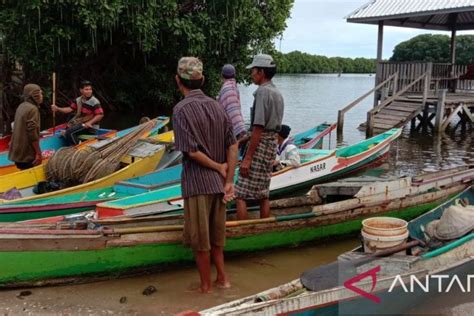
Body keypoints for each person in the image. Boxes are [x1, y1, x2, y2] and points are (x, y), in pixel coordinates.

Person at [173, 57, 238, 294]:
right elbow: (233, 145)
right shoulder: (218, 106)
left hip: (197, 184)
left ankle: (205, 289)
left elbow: (190, 151)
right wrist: (228, 179)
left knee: (202, 243)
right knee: (217, 238)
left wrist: (218, 168)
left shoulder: (181, 110)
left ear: (178, 80)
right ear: (202, 80)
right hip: (219, 186)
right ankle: (223, 280)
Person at [235, 54, 284, 220]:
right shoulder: (276, 92)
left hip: (261, 145)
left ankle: (244, 232)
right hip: (271, 145)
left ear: (261, 72)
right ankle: (264, 226)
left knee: (240, 193)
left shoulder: (262, 92)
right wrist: (243, 139)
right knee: (263, 193)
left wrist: (247, 158)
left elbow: (258, 127)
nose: (251, 74)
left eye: (253, 71)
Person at [51, 80, 104, 145]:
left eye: (90, 89)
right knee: (69, 123)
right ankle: (75, 141)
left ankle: (79, 145)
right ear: (81, 90)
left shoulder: (95, 102)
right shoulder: (78, 100)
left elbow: (100, 115)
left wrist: (89, 123)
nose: (89, 91)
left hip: (90, 127)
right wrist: (57, 108)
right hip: (80, 124)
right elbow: (70, 109)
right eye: (86, 89)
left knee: (69, 132)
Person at [8, 84, 44, 170]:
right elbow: (32, 134)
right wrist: (38, 153)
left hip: (17, 153)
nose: (42, 96)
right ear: (34, 95)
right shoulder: (33, 109)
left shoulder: (21, 106)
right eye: (40, 93)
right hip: (26, 154)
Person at [217, 64, 247, 141]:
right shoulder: (234, 87)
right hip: (239, 127)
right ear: (234, 75)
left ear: (222, 75)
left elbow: (222, 110)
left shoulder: (226, 88)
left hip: (231, 129)